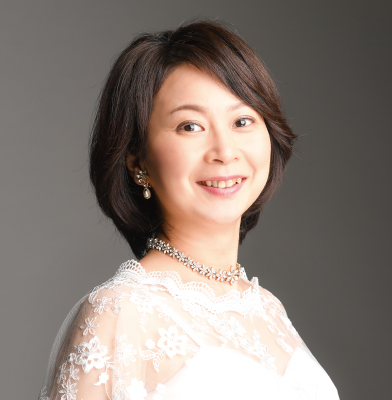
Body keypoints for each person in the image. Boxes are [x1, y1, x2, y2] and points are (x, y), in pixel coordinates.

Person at [38, 19, 339, 400]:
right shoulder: (118, 313)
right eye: (190, 126)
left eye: (242, 121)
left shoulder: (268, 309)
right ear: (137, 159)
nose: (225, 151)